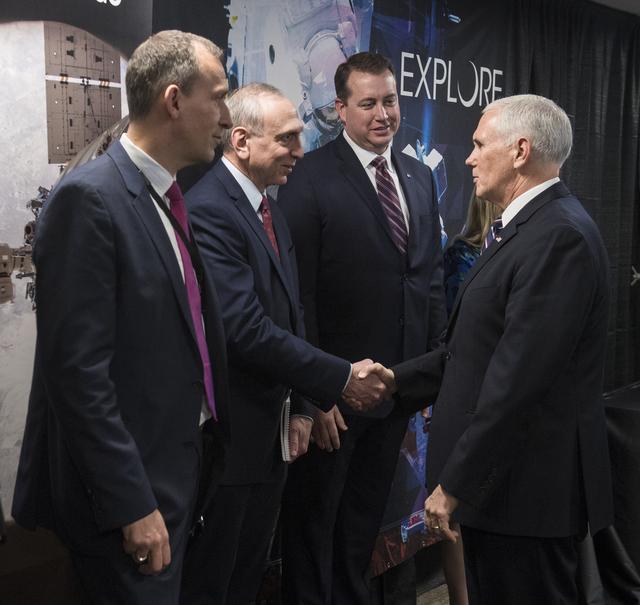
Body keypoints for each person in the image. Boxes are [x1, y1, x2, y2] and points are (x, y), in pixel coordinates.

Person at [364, 94, 614, 604]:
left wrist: (456, 484)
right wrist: (397, 381)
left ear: (520, 151)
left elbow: (517, 383)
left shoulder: (558, 236)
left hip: (524, 500)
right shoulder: (525, 228)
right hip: (504, 498)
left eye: (480, 145)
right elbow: (473, 350)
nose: (468, 158)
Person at [11, 30, 233, 605]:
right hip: (129, 499)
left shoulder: (163, 196)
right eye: (218, 98)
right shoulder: (90, 199)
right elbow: (77, 375)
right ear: (174, 100)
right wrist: (131, 502)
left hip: (176, 474)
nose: (227, 118)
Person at [180, 83, 385, 604]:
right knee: (214, 586)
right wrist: (340, 378)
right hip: (231, 445)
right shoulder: (210, 210)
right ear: (241, 141)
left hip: (268, 440)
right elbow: (244, 329)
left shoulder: (267, 209)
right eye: (287, 138)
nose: (300, 149)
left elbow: (291, 314)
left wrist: (303, 404)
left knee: (246, 581)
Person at [277, 52, 447, 604]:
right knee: (313, 531)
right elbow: (297, 297)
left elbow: (427, 280)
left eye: (390, 101)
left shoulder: (419, 177)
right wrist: (316, 396)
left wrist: (427, 376)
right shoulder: (308, 177)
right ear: (340, 109)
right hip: (336, 399)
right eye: (368, 103)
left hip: (395, 393)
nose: (382, 114)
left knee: (362, 528)